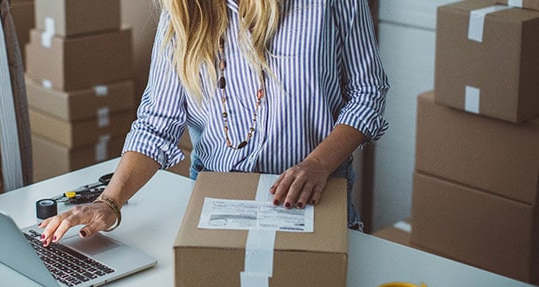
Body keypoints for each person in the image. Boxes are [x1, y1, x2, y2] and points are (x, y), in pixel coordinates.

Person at [39, 0, 389, 244]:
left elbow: (368, 92)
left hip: (314, 201)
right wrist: (108, 203)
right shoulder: (182, 12)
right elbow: (156, 123)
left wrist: (317, 164)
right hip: (218, 205)